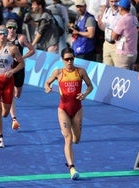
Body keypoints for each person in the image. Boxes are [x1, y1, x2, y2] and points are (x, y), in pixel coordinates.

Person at [44, 47, 93, 180]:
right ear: (62, 60)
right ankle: (72, 168)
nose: (70, 61)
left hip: (77, 109)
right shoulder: (58, 73)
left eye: (71, 58)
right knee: (68, 139)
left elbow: (90, 86)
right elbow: (47, 83)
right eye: (67, 59)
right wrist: (48, 88)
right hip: (63, 109)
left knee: (76, 139)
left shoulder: (80, 71)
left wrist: (85, 94)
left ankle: (67, 131)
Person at [6, 19, 35, 130]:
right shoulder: (4, 39)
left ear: (16, 28)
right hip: (8, 68)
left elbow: (32, 50)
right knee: (11, 94)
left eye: (13, 28)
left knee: (18, 93)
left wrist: (22, 57)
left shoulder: (21, 38)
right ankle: (14, 119)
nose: (11, 30)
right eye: (9, 27)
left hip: (19, 68)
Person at [111, 0, 138, 69]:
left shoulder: (122, 20)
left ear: (121, 8)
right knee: (130, 77)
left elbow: (113, 36)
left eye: (118, 7)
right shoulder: (134, 18)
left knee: (120, 76)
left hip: (123, 54)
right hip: (133, 53)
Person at [97, 0, 120, 66]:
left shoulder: (122, 12)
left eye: (115, 1)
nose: (113, 4)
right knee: (106, 68)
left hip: (117, 44)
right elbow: (104, 28)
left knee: (117, 69)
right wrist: (100, 25)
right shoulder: (107, 11)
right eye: (111, 1)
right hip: (107, 43)